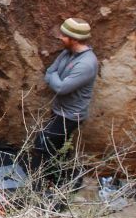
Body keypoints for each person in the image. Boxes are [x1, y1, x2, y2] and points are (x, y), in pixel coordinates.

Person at [32, 17, 99, 183]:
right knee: (59, 148)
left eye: (64, 35)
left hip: (69, 116)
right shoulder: (67, 52)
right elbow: (49, 71)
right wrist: (54, 77)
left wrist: (53, 77)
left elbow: (61, 89)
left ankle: (54, 182)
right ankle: (68, 179)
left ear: (74, 39)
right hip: (58, 111)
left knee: (43, 143)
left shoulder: (86, 63)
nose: (60, 37)